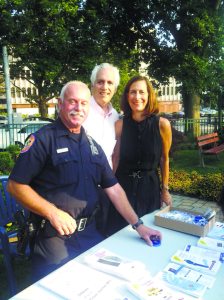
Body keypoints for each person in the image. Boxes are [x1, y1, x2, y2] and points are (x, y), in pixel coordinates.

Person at [7, 80, 162, 282]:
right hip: (53, 236)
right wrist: (52, 213)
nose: (78, 108)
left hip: (90, 233)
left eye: (83, 103)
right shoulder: (43, 140)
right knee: (61, 287)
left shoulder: (92, 145)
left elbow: (114, 189)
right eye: (72, 102)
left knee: (103, 282)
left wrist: (138, 225)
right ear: (60, 103)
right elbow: (15, 185)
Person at [106, 75, 172, 235]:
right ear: (127, 96)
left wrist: (165, 189)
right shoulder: (120, 125)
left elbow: (164, 158)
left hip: (149, 188)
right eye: (133, 92)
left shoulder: (162, 124)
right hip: (123, 187)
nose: (137, 97)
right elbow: (116, 157)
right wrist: (108, 188)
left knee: (149, 232)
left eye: (142, 92)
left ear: (149, 96)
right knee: (120, 234)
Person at [83, 62, 120, 167]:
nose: (105, 87)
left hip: (108, 181)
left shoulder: (115, 116)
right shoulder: (81, 112)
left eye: (110, 83)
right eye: (100, 82)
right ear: (92, 86)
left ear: (115, 89)